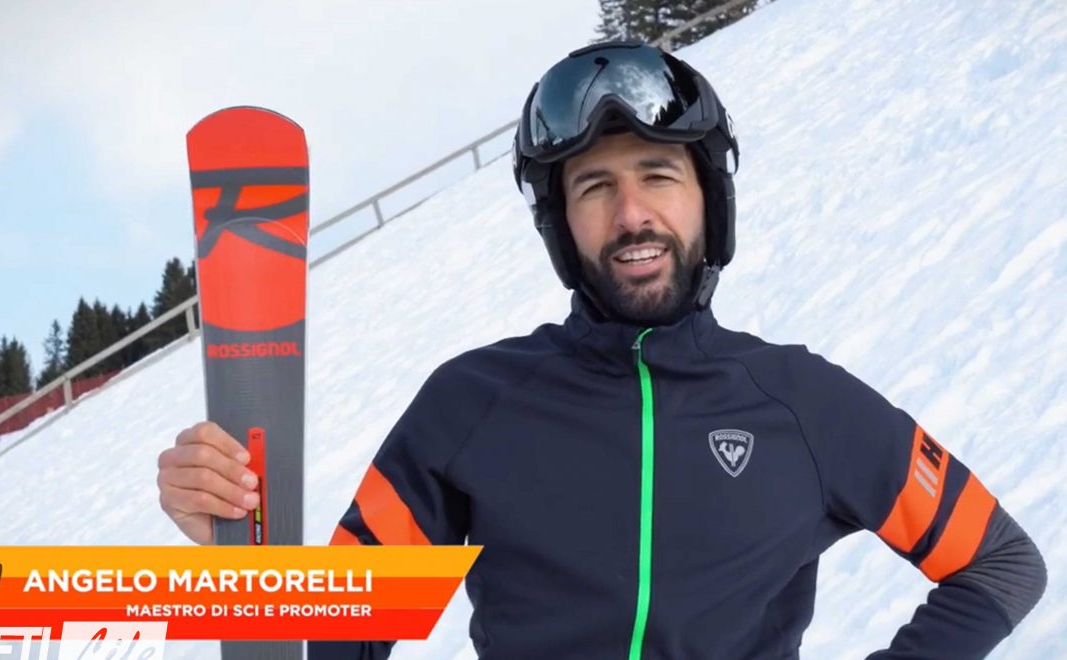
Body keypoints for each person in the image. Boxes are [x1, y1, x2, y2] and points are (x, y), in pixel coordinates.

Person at [157, 41, 1046, 659]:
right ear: (562, 225)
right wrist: (236, 549)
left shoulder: (802, 403)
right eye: (593, 188)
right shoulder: (473, 405)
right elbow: (336, 638)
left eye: (659, 174)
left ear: (708, 201)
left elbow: (1001, 565)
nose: (631, 215)